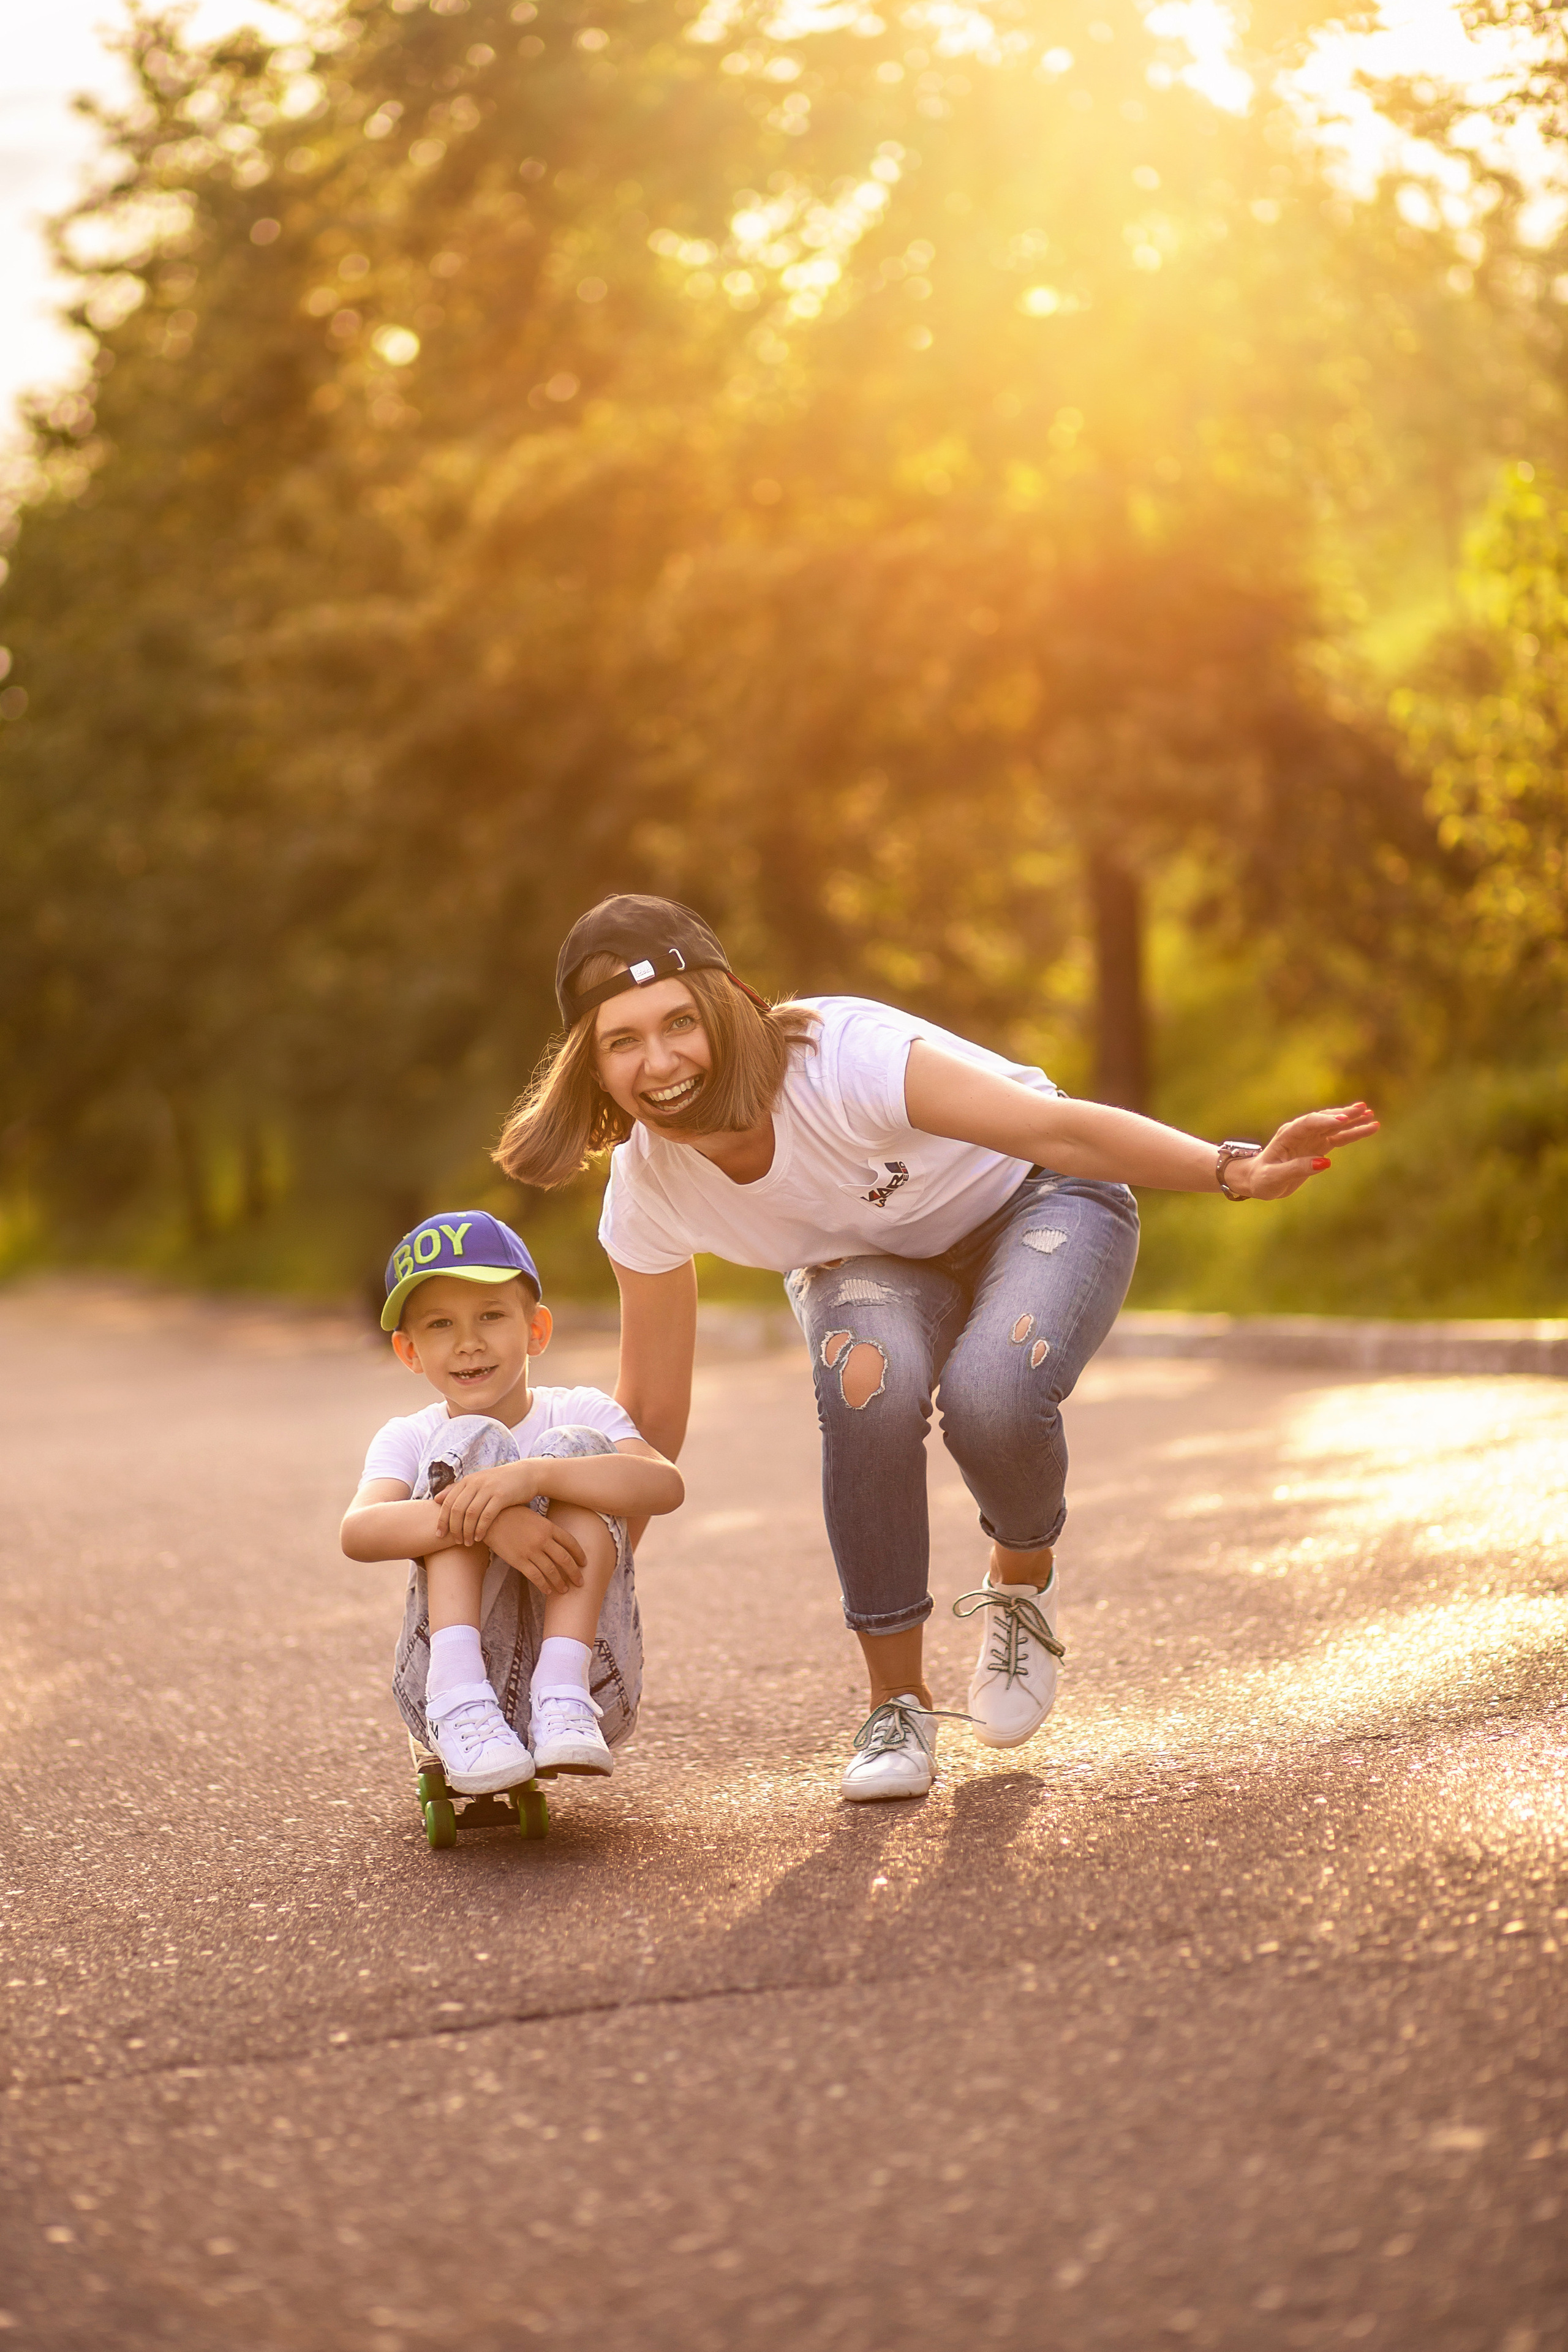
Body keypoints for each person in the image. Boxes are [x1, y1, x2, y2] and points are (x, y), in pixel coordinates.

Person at [495, 897, 1379, 1803]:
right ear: (593, 1070)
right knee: (865, 1381)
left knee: (993, 1396)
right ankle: (896, 1707)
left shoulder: (842, 1060)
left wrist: (1230, 1168)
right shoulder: (648, 1191)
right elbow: (649, 1422)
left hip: (1041, 1199)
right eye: (623, 1042)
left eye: (680, 1022)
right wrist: (567, 1625)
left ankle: (1021, 1576)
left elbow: (1059, 1130)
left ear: (725, 1006)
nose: (662, 1062)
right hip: (878, 1267)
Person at [340, 1210, 683, 1793]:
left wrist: (532, 1479)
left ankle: (561, 1688)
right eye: (441, 1324)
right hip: (453, 1693)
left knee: (575, 1451)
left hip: (592, 1690)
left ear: (536, 1331)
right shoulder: (411, 1434)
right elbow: (359, 1532)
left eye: (492, 1316)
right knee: (467, 1442)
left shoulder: (580, 1410)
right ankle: (458, 1696)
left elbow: (665, 1485)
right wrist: (489, 1522)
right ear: (410, 1351)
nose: (469, 1342)